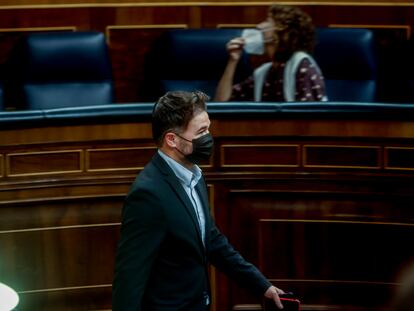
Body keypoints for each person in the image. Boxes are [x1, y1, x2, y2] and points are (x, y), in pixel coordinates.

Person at [112, 90, 285, 311]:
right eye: (201, 131)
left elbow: (210, 240)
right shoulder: (148, 194)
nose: (209, 138)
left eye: (208, 128)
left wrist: (261, 286)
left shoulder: (195, 175)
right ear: (172, 140)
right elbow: (130, 275)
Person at [214, 4, 327, 102]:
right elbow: (222, 103)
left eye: (267, 21)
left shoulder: (302, 65)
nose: (259, 26)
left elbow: (310, 119)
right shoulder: (263, 72)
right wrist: (233, 60)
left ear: (283, 30)